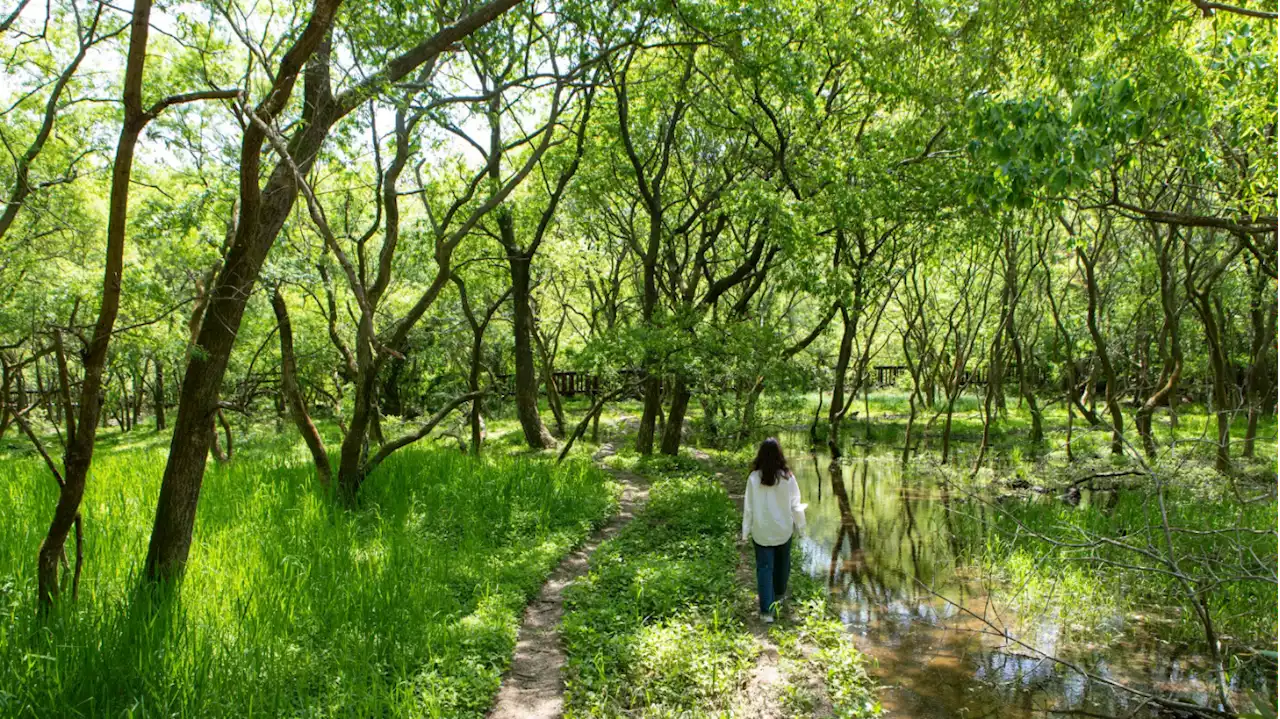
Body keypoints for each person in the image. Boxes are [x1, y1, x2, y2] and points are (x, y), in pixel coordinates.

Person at [741, 437, 806, 623]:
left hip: (761, 531)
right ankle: (778, 596)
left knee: (764, 568)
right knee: (782, 565)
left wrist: (745, 532)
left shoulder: (754, 478)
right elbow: (796, 505)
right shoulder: (788, 477)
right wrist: (801, 528)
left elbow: (749, 508)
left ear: (760, 455)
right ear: (780, 455)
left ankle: (766, 612)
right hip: (783, 530)